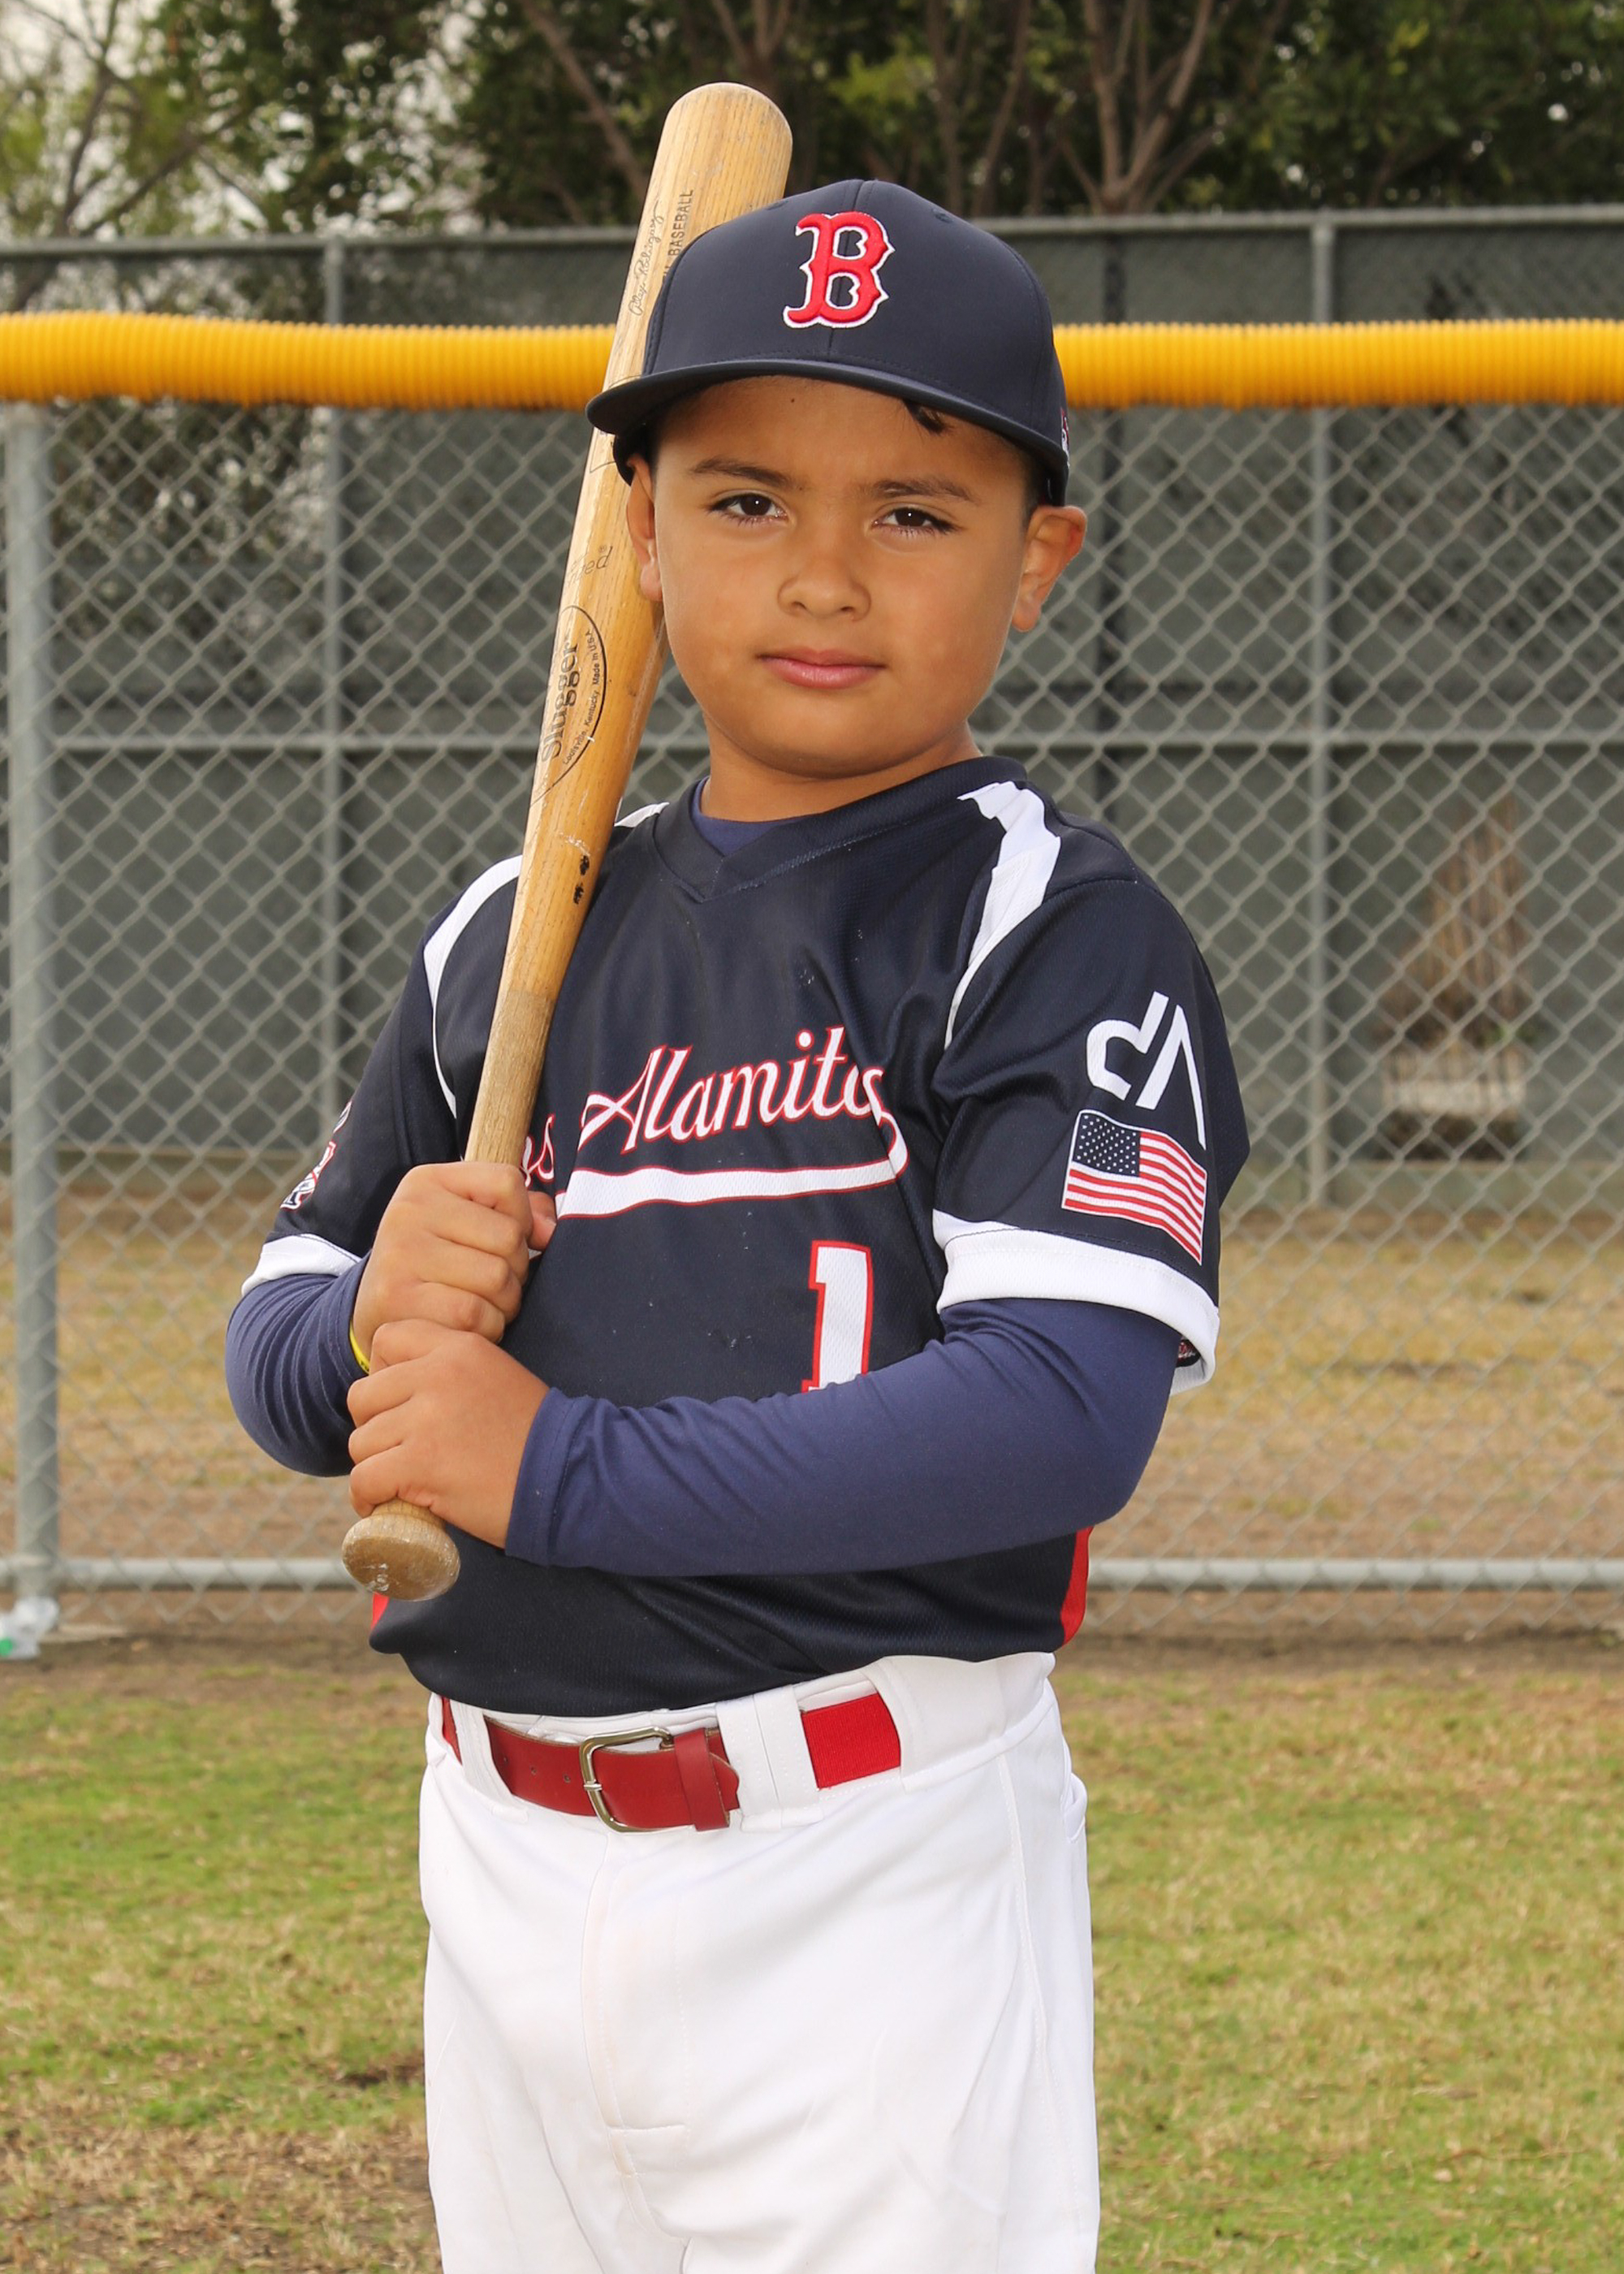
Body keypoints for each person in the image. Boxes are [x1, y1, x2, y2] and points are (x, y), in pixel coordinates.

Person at [227, 179, 1248, 2274]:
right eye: (747, 496)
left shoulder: (1047, 923)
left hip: (865, 1858)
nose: (823, 573)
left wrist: (551, 1465)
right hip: (495, 1845)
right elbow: (285, 1329)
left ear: (1039, 559)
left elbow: (1063, 1412)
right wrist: (366, 1326)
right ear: (638, 532)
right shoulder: (521, 922)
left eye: (916, 511)